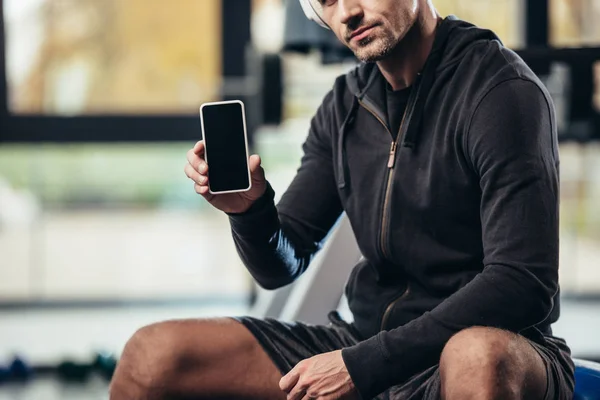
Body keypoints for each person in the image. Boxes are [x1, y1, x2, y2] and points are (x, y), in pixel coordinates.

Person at [109, 0, 575, 399]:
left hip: (485, 347)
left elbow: (522, 284)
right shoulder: (344, 105)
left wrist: (363, 366)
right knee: (152, 354)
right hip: (365, 339)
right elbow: (280, 265)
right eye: (328, 1)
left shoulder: (499, 91)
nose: (348, 13)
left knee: (477, 355)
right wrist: (250, 211)